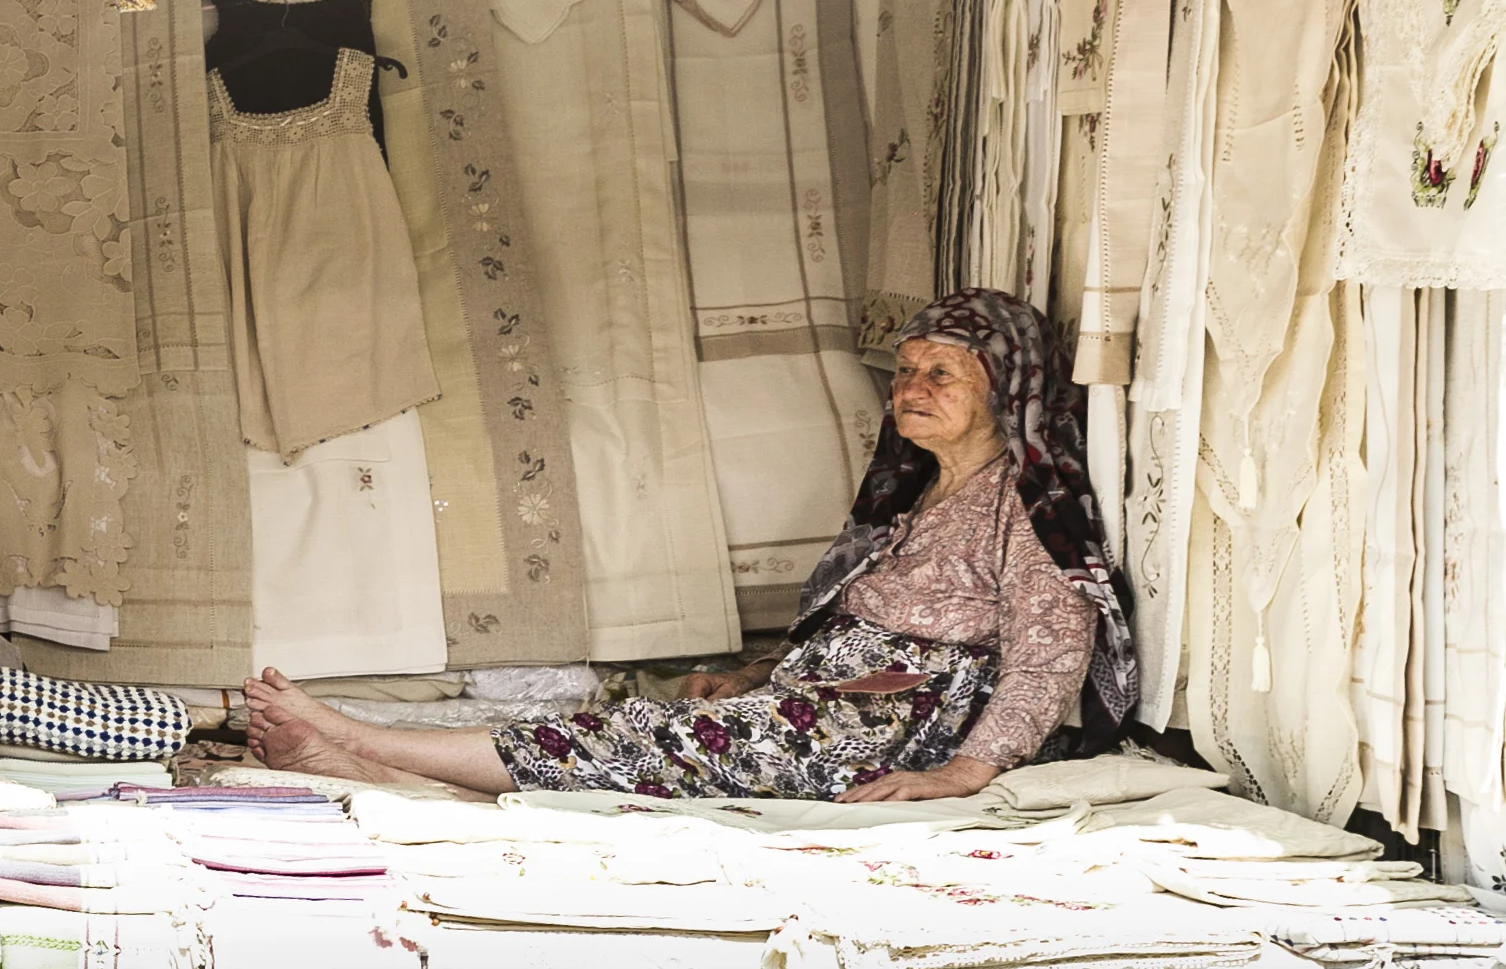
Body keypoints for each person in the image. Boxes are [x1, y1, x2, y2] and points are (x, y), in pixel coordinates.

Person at [244, 289, 1137, 803]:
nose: (911, 387)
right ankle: (361, 758)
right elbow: (850, 625)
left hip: (885, 723)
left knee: (647, 739)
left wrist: (966, 769)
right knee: (643, 718)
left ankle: (362, 745)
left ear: (1006, 387)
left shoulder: (1027, 505)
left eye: (942, 372)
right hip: (822, 698)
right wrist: (755, 676)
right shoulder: (918, 492)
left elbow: (1051, 644)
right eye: (905, 370)